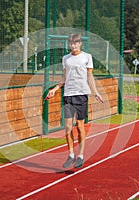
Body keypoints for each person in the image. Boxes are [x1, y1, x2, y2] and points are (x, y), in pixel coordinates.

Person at [45, 33, 103, 168]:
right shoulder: (66, 58)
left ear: (80, 44)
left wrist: (95, 92)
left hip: (82, 94)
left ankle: (81, 155)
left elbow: (90, 77)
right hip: (68, 95)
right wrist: (55, 89)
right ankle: (71, 154)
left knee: (80, 126)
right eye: (71, 43)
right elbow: (64, 78)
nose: (73, 46)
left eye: (75, 43)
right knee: (67, 127)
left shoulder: (87, 57)